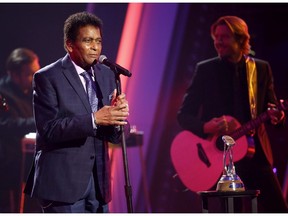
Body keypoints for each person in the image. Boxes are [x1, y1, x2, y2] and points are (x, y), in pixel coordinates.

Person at [177, 16, 288, 213]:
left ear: (240, 39)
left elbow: (272, 111)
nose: (218, 41)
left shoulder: (261, 68)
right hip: (220, 161)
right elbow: (184, 115)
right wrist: (206, 127)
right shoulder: (205, 70)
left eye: (225, 37)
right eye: (216, 37)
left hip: (256, 156)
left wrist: (278, 118)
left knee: (278, 209)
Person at [24, 11, 130, 213]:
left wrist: (118, 119)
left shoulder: (107, 74)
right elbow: (48, 130)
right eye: (88, 41)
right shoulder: (47, 77)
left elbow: (117, 137)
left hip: (99, 183)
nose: (95, 47)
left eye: (98, 41)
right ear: (69, 44)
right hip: (62, 184)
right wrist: (94, 119)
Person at [0, 48, 40, 212]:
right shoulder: (2, 94)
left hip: (31, 169)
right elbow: (6, 125)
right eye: (30, 74)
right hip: (10, 171)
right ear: (13, 74)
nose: (35, 78)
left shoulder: (34, 92)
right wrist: (39, 121)